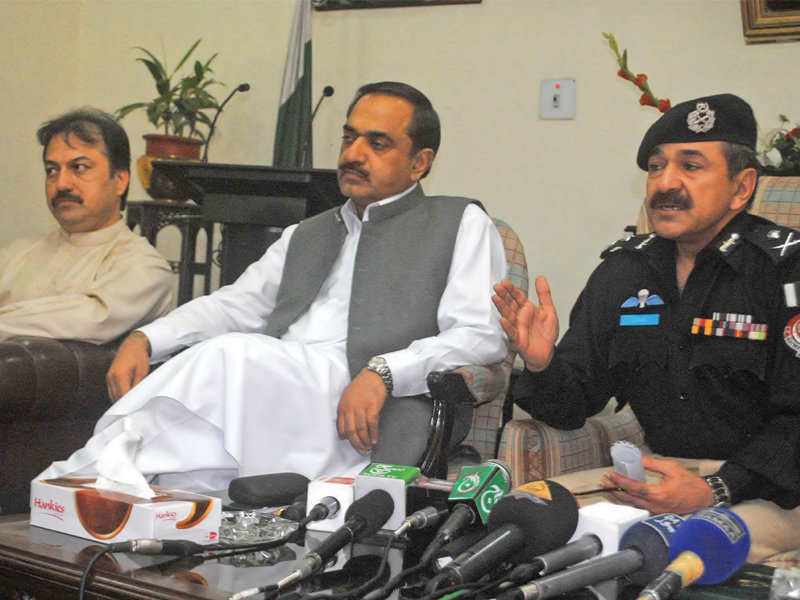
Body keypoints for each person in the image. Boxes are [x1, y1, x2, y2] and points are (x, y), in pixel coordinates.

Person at [40, 82, 507, 491]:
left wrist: (384, 370)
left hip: (364, 410)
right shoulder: (308, 232)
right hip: (277, 388)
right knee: (193, 462)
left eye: (377, 143)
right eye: (348, 137)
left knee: (231, 356)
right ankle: (99, 498)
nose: (352, 154)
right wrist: (147, 337)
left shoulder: (460, 222)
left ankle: (75, 481)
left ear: (419, 162)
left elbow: (480, 336)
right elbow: (235, 305)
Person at [493, 94, 800, 562]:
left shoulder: (785, 270)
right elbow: (574, 404)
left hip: (771, 488)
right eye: (656, 167)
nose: (665, 183)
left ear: (742, 188)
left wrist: (716, 489)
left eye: (691, 166)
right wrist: (542, 361)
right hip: (657, 477)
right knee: (521, 523)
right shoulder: (624, 273)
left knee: (677, 549)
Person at [0, 108, 172, 344]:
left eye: (79, 168)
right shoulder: (15, 254)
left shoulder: (144, 267)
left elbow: (91, 317)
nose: (61, 183)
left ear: (120, 180)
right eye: (52, 170)